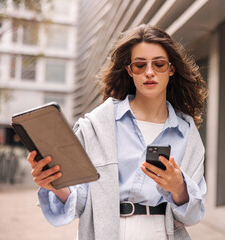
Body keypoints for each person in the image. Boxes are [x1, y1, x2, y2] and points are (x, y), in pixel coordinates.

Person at [27, 24, 207, 240]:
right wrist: (54, 185)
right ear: (130, 71)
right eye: (140, 65)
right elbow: (81, 201)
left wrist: (179, 188)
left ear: (171, 69)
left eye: (159, 64)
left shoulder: (186, 133)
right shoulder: (97, 126)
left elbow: (193, 215)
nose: (149, 72)